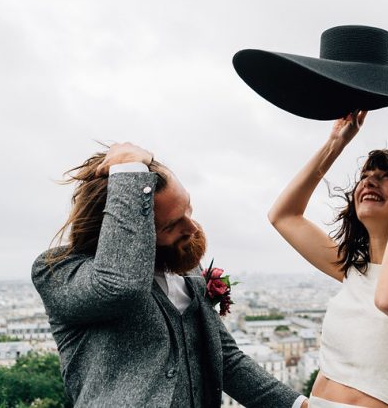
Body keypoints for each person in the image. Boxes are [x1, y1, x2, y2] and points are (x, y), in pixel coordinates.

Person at [32, 142, 308, 408]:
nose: (192, 227)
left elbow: (224, 359)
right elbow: (121, 286)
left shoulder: (186, 268)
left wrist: (300, 405)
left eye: (188, 208)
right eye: (172, 225)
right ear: (128, 219)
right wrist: (128, 173)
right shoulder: (58, 271)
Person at [268, 97, 388, 408]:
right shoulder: (353, 268)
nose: (371, 179)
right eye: (365, 175)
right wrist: (335, 143)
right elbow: (284, 216)